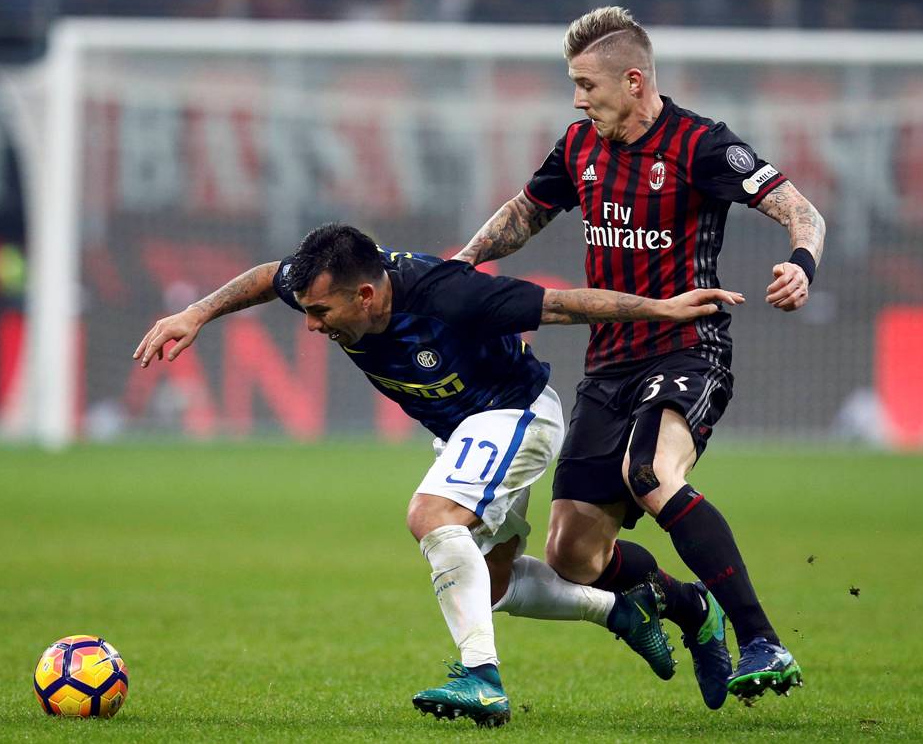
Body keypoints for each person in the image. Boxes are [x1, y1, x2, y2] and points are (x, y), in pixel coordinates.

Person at [134, 223, 743, 727]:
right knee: (494, 582)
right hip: (464, 433)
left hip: (517, 415)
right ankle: (651, 609)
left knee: (430, 517)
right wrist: (198, 312)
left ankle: (481, 678)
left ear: (367, 296)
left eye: (322, 312)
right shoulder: (321, 280)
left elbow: (560, 305)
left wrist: (662, 309)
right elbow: (271, 275)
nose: (312, 325)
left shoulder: (449, 295)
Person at [453, 6, 825, 707]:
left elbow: (801, 208)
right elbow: (525, 212)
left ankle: (763, 638)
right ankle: (691, 609)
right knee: (571, 553)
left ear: (633, 79)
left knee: (650, 468)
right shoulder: (578, 148)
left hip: (690, 345)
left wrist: (802, 262)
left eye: (587, 84)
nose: (577, 98)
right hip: (610, 363)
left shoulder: (701, 146)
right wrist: (466, 258)